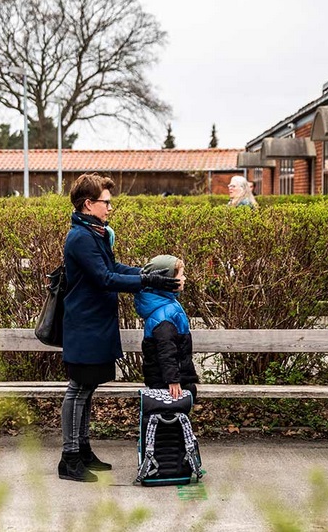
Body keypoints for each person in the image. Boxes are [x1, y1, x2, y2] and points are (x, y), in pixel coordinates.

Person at [59, 173, 180, 482]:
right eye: (106, 202)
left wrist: (145, 272)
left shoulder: (95, 233)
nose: (110, 207)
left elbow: (113, 269)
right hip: (84, 325)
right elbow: (105, 278)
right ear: (89, 204)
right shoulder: (80, 237)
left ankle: (82, 450)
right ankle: (69, 458)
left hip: (96, 325)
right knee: (78, 390)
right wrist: (148, 280)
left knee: (87, 389)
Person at [134, 255, 199, 400]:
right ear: (169, 281)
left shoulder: (167, 304)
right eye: (181, 275)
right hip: (166, 382)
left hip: (171, 377)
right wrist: (173, 380)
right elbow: (166, 350)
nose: (184, 279)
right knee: (172, 413)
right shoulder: (164, 315)